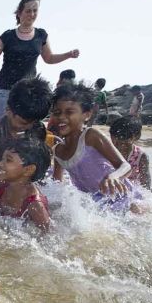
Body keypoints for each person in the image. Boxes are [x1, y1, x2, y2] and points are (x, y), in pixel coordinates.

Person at [0, 0, 80, 133]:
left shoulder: (41, 35)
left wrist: (68, 55)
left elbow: (48, 58)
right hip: (4, 90)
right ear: (19, 13)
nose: (32, 14)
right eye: (28, 11)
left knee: (25, 133)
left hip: (28, 93)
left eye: (35, 11)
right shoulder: (7, 36)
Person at [50, 83, 141, 212]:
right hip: (95, 203)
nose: (61, 117)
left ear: (87, 115)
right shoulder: (58, 151)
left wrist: (114, 177)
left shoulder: (90, 136)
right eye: (57, 112)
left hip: (121, 196)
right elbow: (56, 185)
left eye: (69, 112)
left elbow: (125, 166)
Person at [0, 76, 53, 182]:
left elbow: (39, 167)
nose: (29, 127)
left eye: (34, 122)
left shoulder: (38, 130)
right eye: (24, 123)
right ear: (8, 110)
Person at [0, 138, 51, 231]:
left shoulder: (35, 205)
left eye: (8, 160)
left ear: (28, 170)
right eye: (2, 158)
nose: (0, 164)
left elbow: (48, 236)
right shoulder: (2, 188)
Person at [109, 116, 150, 190]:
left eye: (122, 143)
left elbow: (146, 186)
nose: (117, 147)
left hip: (131, 191)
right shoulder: (107, 151)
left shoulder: (141, 156)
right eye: (114, 142)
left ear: (136, 136)